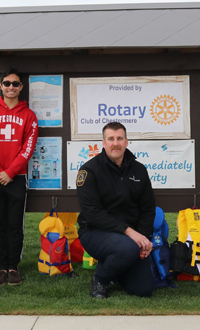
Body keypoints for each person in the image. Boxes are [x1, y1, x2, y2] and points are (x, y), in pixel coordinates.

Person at [77, 122, 156, 298]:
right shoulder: (89, 170)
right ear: (103, 143)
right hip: (95, 232)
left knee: (143, 290)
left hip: (130, 238)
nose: (115, 143)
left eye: (119, 138)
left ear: (126, 142)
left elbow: (148, 209)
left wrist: (143, 239)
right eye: (111, 139)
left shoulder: (139, 170)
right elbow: (92, 213)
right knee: (127, 249)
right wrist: (129, 233)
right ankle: (100, 279)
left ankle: (115, 270)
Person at [0, 69, 38, 286]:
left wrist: (10, 172)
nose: (11, 87)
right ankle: (0, 266)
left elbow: (28, 147)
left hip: (17, 177)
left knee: (15, 224)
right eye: (7, 83)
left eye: (15, 84)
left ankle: (13, 266)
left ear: (21, 87)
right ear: (0, 86)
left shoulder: (29, 115)